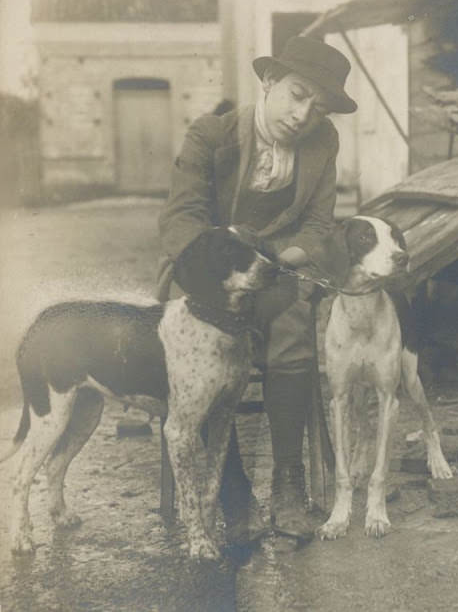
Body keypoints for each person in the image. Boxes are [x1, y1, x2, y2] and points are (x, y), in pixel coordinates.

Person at [157, 36, 357, 541]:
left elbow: (316, 226)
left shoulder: (322, 142)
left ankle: (287, 483)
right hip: (209, 271)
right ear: (268, 82)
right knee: (208, 349)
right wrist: (219, 279)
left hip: (273, 268)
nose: (304, 113)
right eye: (297, 93)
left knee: (290, 324)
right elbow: (182, 219)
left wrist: (275, 263)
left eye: (318, 105)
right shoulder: (212, 135)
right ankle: (233, 489)